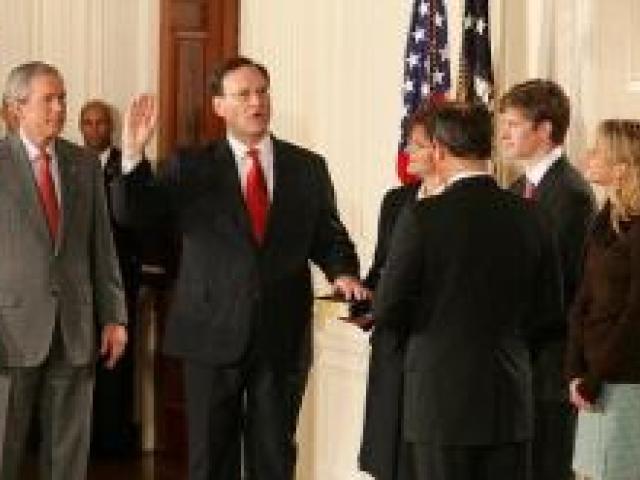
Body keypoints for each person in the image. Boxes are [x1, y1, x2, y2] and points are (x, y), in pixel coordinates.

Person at [112, 56, 367, 480]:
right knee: (212, 459)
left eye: (262, 92)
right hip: (209, 333)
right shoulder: (190, 166)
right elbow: (134, 213)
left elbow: (329, 235)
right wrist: (134, 154)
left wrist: (343, 271)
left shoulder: (307, 167)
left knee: (274, 457)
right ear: (219, 106)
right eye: (243, 94)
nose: (256, 102)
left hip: (280, 336)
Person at [373, 101, 563, 480]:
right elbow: (550, 313)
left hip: (439, 403)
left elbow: (388, 307)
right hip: (509, 399)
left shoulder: (422, 217)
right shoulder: (534, 215)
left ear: (440, 151)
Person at [0, 62, 127, 480]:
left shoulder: (84, 164)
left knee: (69, 454)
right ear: (17, 107)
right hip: (10, 330)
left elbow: (102, 249)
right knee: (5, 446)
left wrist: (113, 317)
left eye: (62, 99)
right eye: (48, 100)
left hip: (74, 327)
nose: (59, 109)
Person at [500, 79, 596, 480]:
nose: (503, 134)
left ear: (545, 130)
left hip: (551, 364)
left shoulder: (570, 194)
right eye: (502, 123)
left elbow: (560, 287)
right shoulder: (515, 188)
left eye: (514, 124)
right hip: (516, 360)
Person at [358, 103, 441, 480]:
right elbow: (380, 269)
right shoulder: (396, 202)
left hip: (434, 349)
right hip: (391, 346)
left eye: (416, 144)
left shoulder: (461, 205)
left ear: (440, 149)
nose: (406, 152)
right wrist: (361, 295)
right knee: (386, 460)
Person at [566, 119, 640, 480]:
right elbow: (583, 298)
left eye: (597, 151)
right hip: (593, 380)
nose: (588, 156)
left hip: (625, 380)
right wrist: (575, 370)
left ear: (623, 167)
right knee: (589, 473)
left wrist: (594, 379)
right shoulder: (603, 218)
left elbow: (635, 314)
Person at [79, 99, 140, 456]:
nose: (94, 129)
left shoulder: (125, 164)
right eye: (87, 123)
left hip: (120, 278)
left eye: (101, 122)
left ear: (111, 127)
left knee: (116, 362)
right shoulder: (71, 164)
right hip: (78, 283)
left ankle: (112, 440)